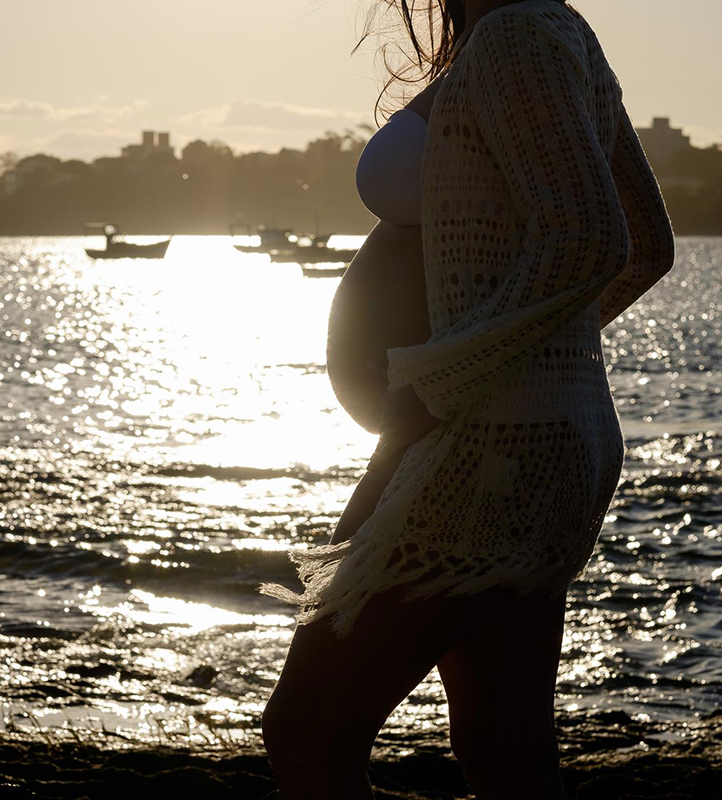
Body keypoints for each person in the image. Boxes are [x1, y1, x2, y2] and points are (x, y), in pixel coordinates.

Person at [259, 0, 675, 797]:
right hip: (510, 435)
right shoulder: (535, 29)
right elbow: (640, 243)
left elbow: (596, 239)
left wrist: (446, 383)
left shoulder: (521, 34)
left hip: (481, 443)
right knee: (502, 746)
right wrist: (510, 361)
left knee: (308, 731)